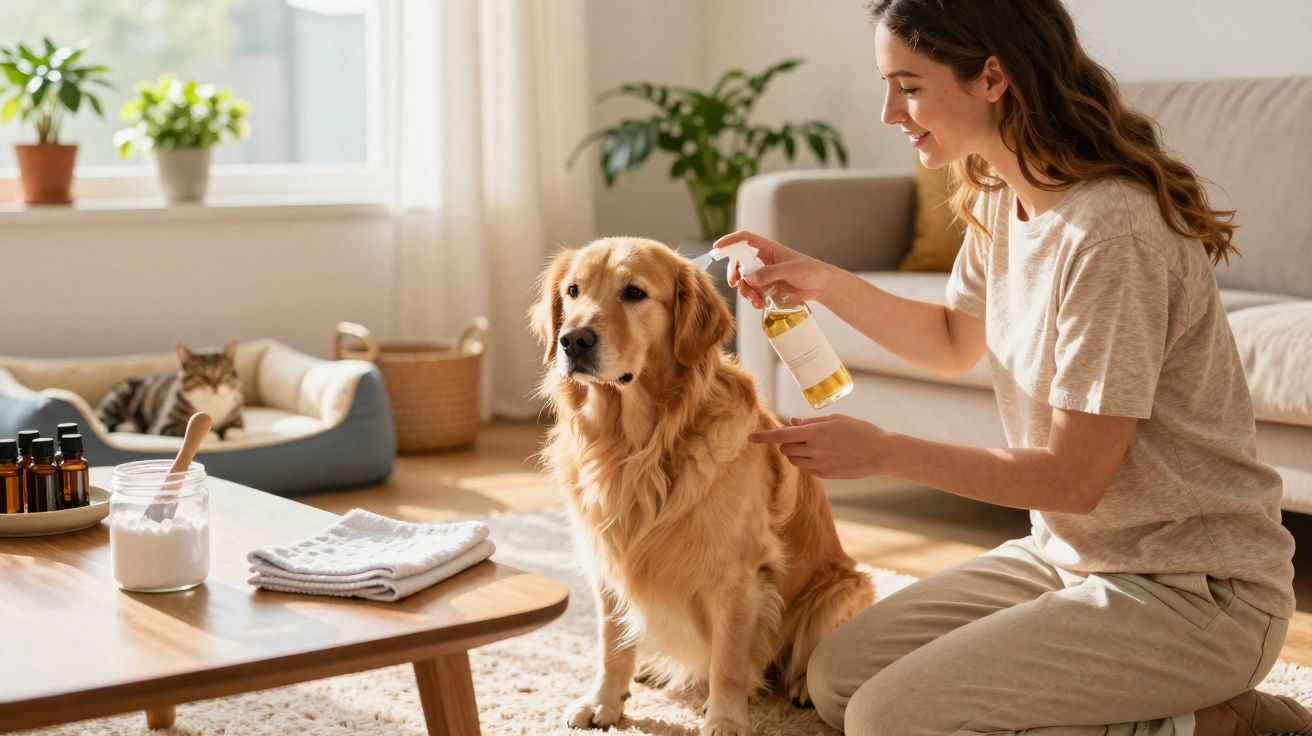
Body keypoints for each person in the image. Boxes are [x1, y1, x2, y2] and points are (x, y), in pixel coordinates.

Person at [714, 1, 1309, 734]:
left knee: (889, 720)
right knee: (838, 677)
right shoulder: (1003, 197)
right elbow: (949, 340)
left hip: (1195, 590)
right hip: (1071, 557)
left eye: (908, 85)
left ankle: (1223, 724)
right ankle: (1186, 704)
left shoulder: (1110, 233)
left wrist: (886, 453)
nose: (889, 112)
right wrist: (818, 280)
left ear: (991, 76)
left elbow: (1072, 479)